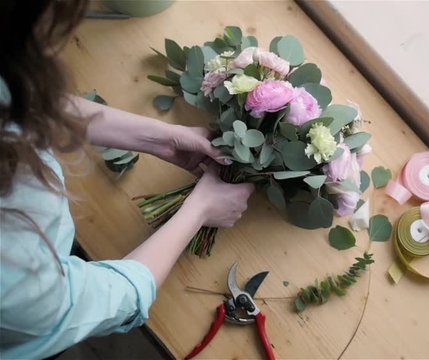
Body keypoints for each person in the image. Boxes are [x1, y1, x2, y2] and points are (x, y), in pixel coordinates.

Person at [0, 0, 254, 358]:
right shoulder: (11, 260)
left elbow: (16, 100)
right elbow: (73, 308)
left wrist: (159, 138)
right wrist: (198, 211)